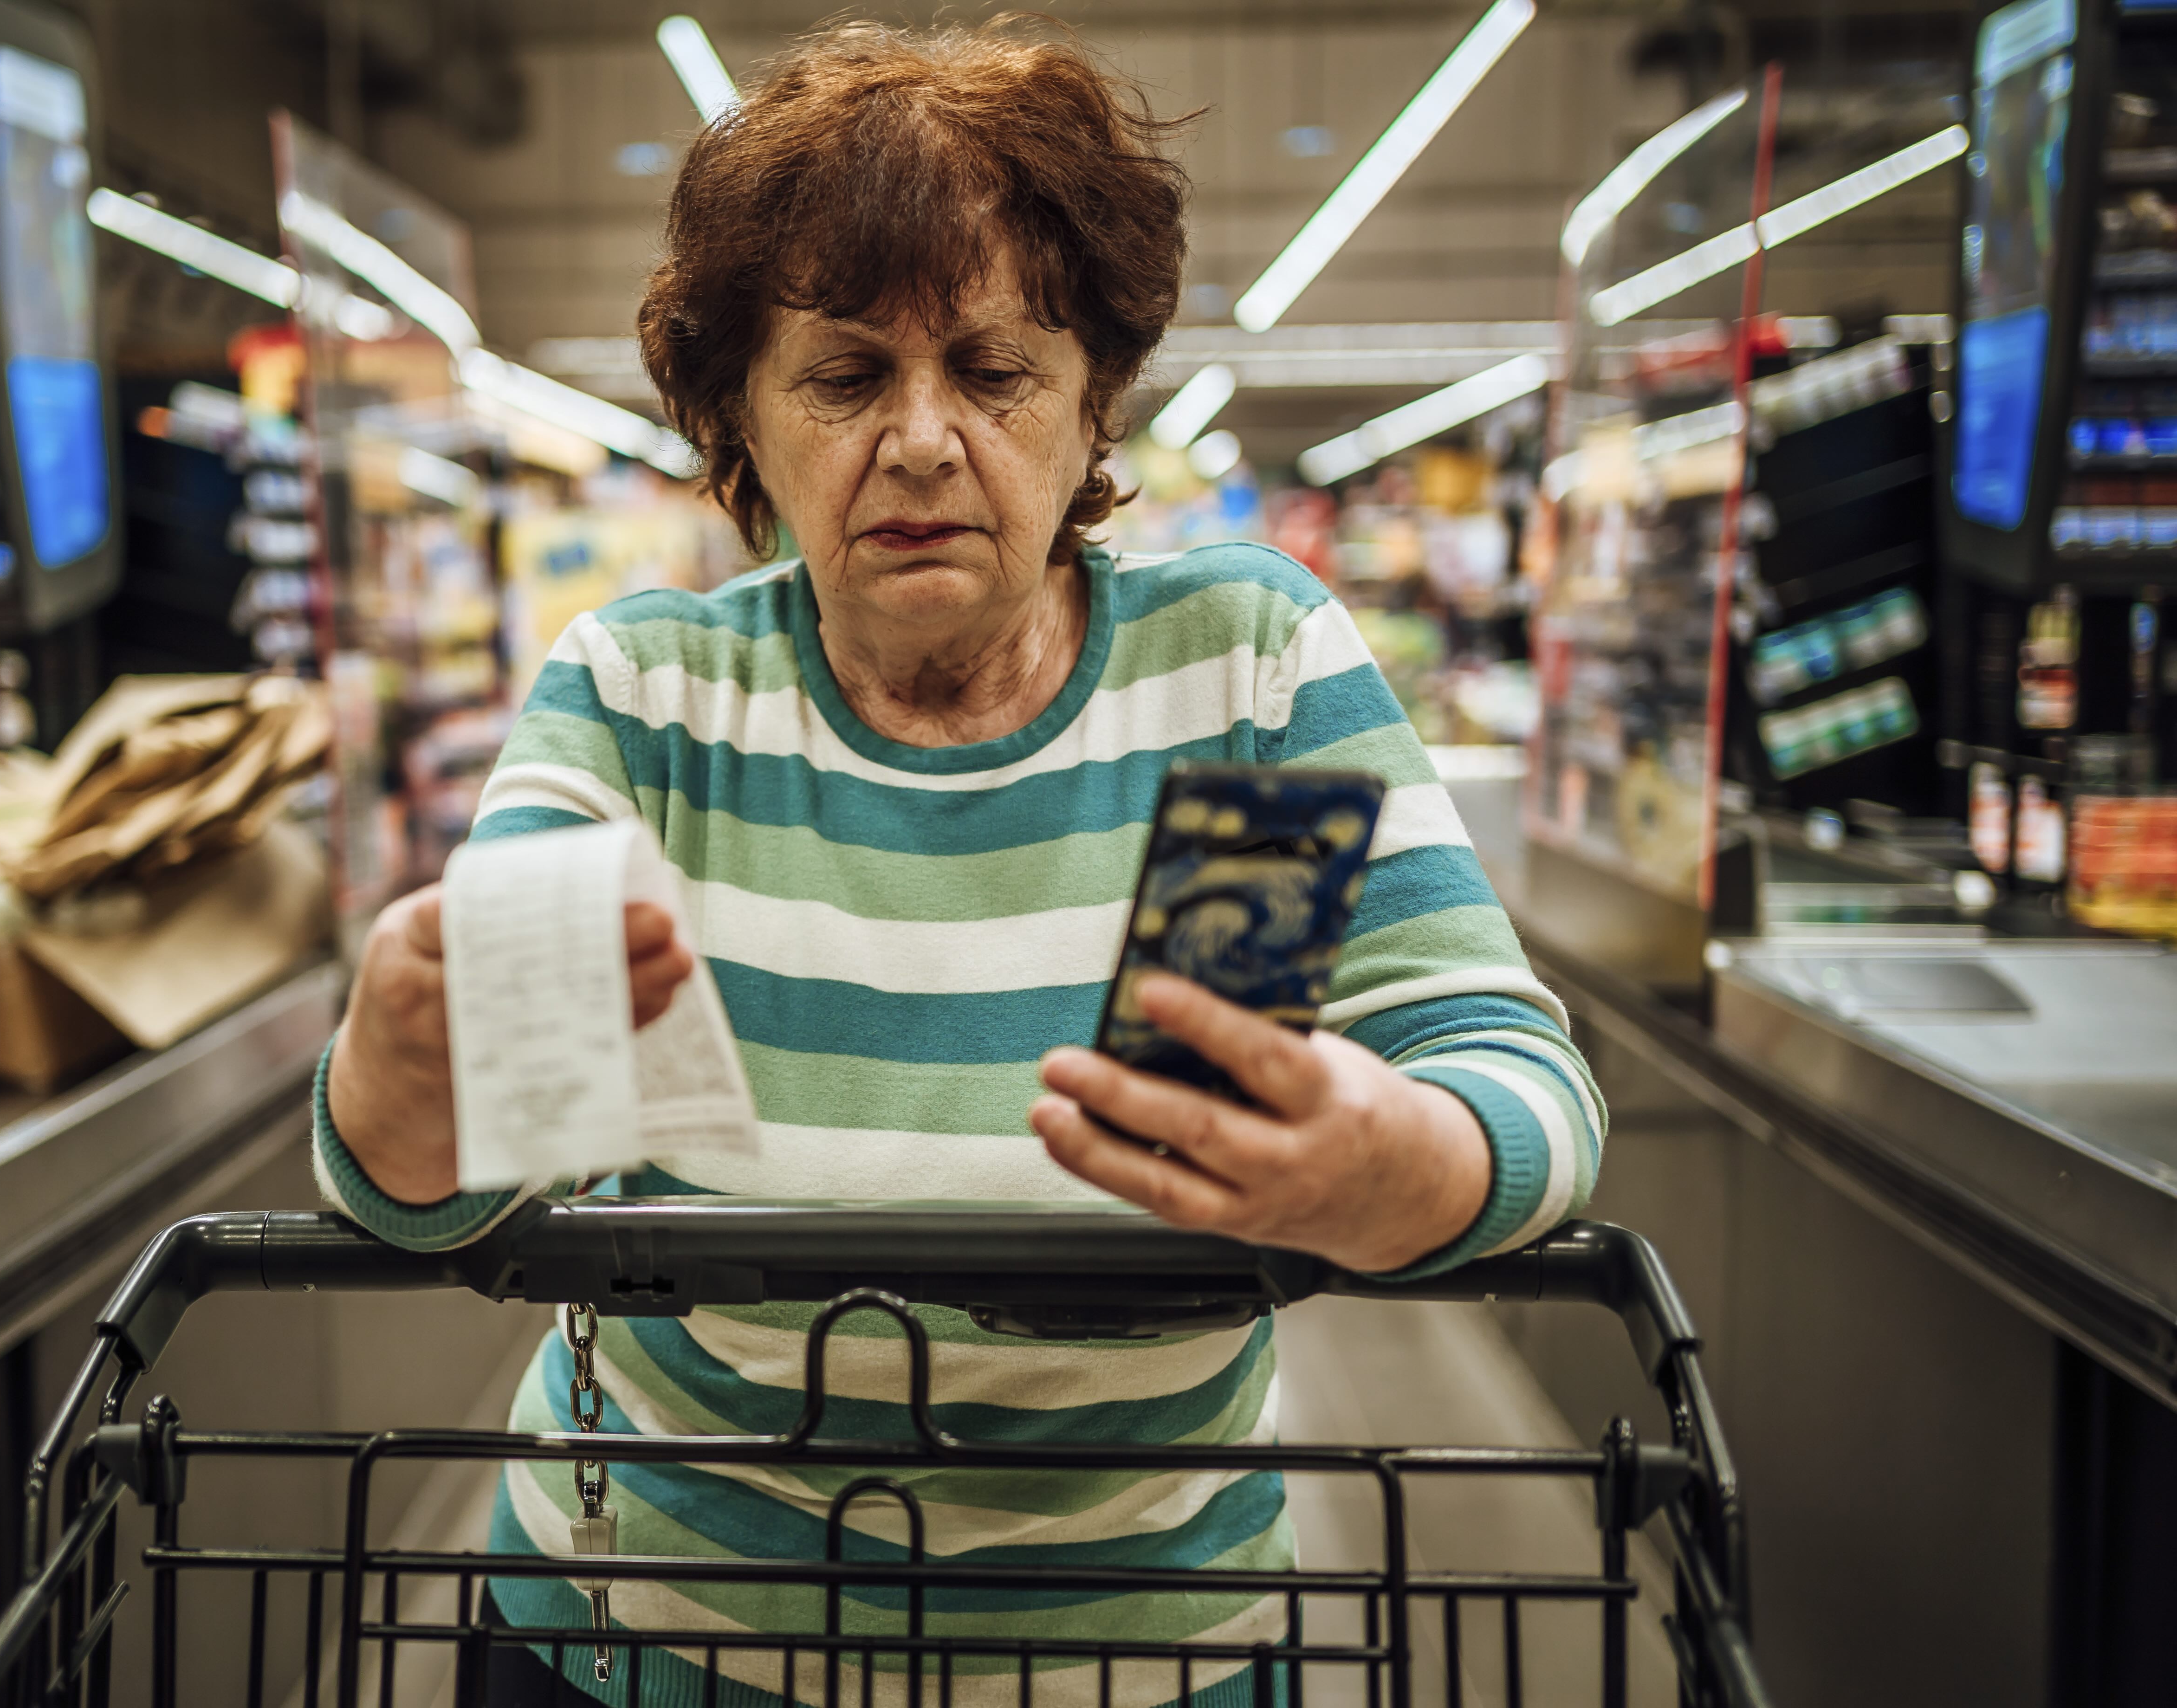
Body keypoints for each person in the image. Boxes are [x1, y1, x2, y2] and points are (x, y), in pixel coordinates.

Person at [314, 19, 1603, 1706]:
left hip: (1134, 1663)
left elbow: (1518, 1082)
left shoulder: (1241, 676)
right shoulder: (650, 697)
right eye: (845, 377)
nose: (923, 441)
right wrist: (410, 1076)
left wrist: (1387, 1166)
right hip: (644, 1639)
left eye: (995, 373)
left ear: (1090, 411)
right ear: (742, 428)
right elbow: (451, 1180)